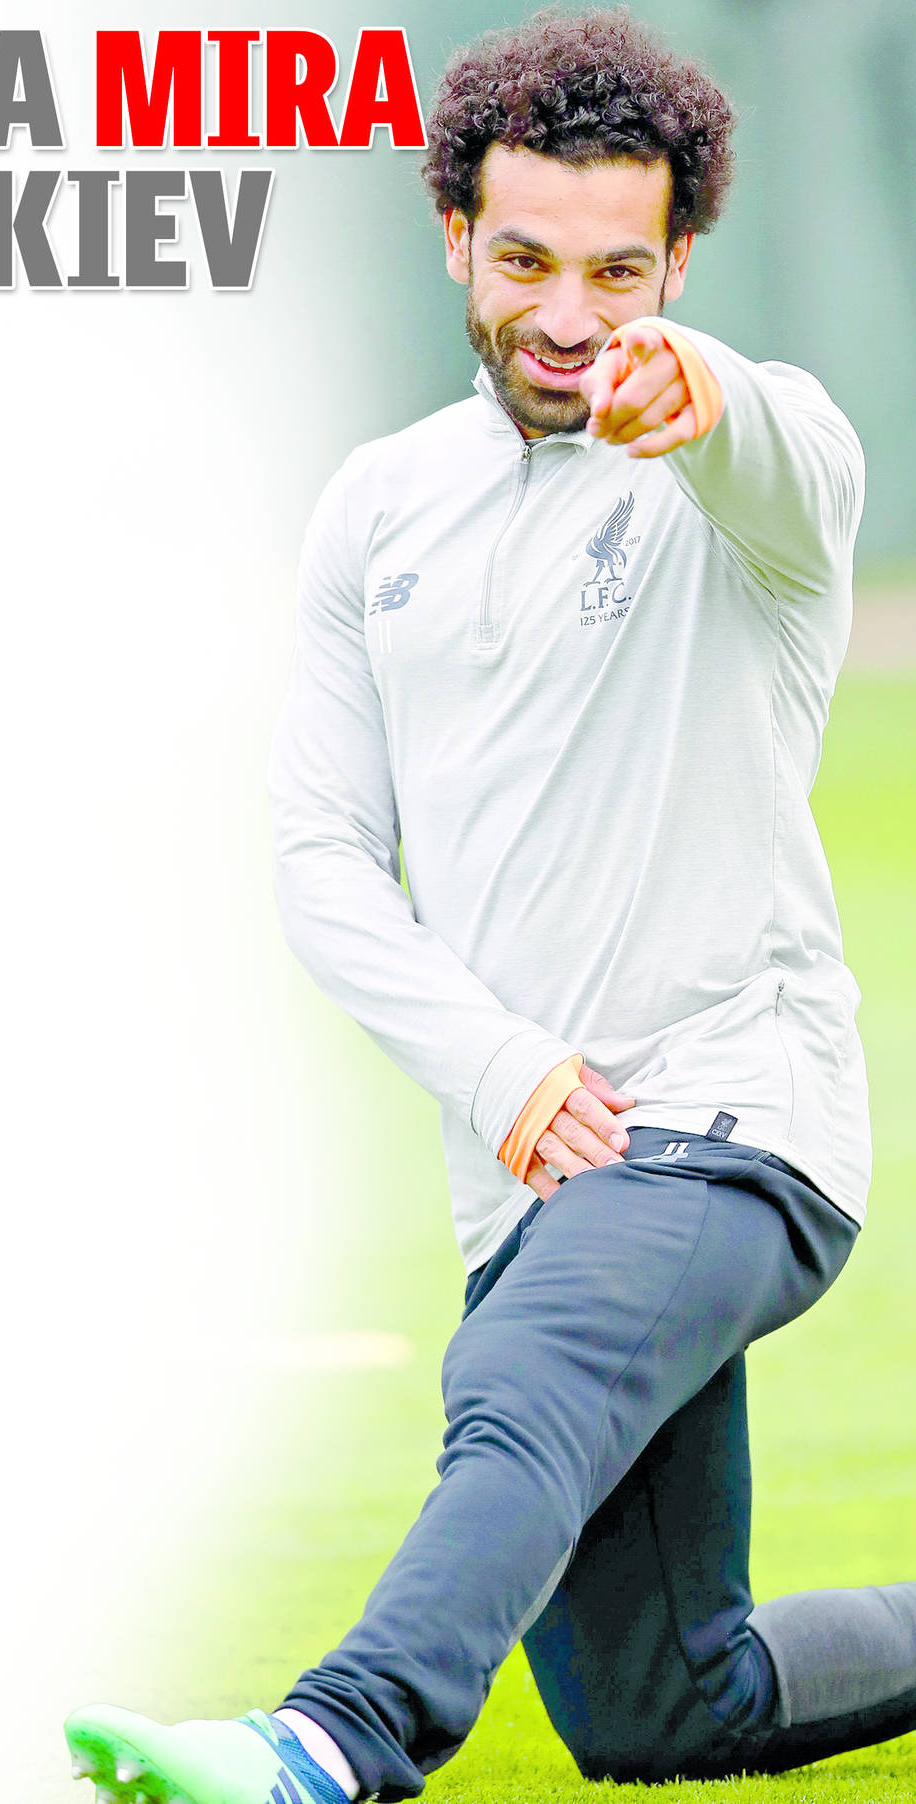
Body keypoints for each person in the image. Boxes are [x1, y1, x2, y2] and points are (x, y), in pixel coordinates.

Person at [65, 9, 915, 1797]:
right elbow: (320, 856)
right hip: (532, 1162)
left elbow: (772, 447)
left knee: (523, 1374)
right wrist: (501, 1064)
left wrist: (702, 397)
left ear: (677, 268)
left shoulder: (762, 462)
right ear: (456, 239)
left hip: (734, 1117)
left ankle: (328, 1743)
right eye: (525, 261)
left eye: (620, 273)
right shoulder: (380, 507)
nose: (569, 316)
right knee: (662, 1704)